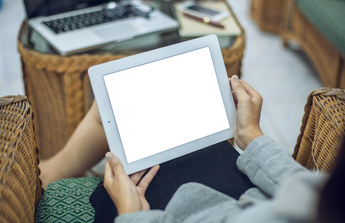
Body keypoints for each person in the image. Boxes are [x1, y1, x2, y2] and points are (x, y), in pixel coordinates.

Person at [40, 75, 345, 223]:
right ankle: (55, 168)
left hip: (169, 212)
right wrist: (251, 136)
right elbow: (312, 195)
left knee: (115, 111)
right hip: (240, 194)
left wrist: (132, 215)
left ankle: (48, 175)